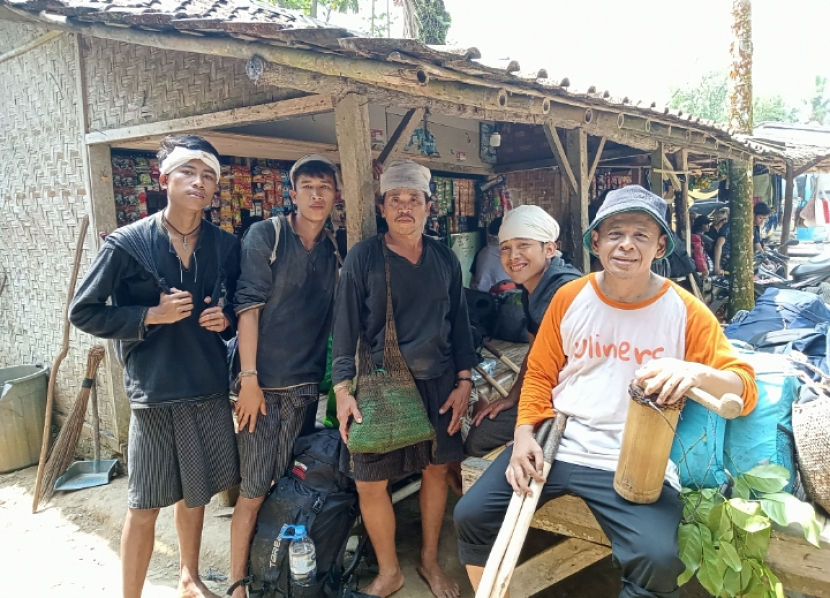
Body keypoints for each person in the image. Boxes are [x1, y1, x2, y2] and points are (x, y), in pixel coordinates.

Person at [454, 185, 758, 598]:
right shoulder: (570, 297)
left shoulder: (685, 311)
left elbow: (743, 387)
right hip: (556, 442)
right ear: (595, 242)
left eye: (641, 234)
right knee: (471, 515)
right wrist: (524, 432)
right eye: (614, 234)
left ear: (660, 245)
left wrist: (694, 372)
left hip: (635, 456)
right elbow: (541, 373)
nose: (626, 245)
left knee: (658, 559)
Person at [69, 135, 241, 598]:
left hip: (205, 384)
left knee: (196, 493)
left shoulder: (225, 246)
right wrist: (148, 315)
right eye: (188, 171)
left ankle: (189, 576)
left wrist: (223, 320)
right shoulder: (127, 244)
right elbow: (83, 311)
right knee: (143, 503)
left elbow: (236, 310)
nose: (198, 182)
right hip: (155, 389)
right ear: (163, 179)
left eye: (208, 176)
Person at [332, 159, 478, 598]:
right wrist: (342, 390)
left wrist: (466, 382)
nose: (404, 207)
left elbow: (461, 323)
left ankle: (429, 559)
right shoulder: (364, 257)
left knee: (436, 472)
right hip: (379, 385)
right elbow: (344, 327)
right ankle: (390, 571)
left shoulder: (444, 258)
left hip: (438, 383)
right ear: (382, 207)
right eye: (395, 199)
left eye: (413, 199)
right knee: (369, 481)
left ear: (429, 207)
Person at [229, 154, 342, 598]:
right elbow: (248, 309)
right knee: (254, 489)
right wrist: (250, 380)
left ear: (335, 197)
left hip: (306, 388)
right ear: (291, 195)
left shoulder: (333, 248)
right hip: (264, 387)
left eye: (325, 188)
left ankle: (273, 573)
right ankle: (239, 583)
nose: (316, 195)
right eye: (308, 187)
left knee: (288, 483)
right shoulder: (267, 235)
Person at [465, 205, 581, 458]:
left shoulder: (565, 291)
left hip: (576, 407)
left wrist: (535, 427)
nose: (513, 255)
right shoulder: (533, 290)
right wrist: (513, 397)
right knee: (480, 435)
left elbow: (586, 367)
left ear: (549, 248)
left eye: (524, 245)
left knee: (483, 443)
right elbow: (535, 353)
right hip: (547, 395)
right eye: (506, 248)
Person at [713, 202, 771, 274]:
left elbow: (759, 249)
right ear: (753, 215)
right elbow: (718, 246)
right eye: (760, 218)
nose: (762, 221)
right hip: (727, 262)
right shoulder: (731, 227)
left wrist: (767, 262)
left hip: (743, 262)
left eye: (765, 219)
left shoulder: (754, 230)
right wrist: (717, 268)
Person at [470, 217, 511, 292]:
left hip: (480, 297)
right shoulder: (513, 253)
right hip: (502, 297)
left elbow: (473, 279)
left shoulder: (482, 252)